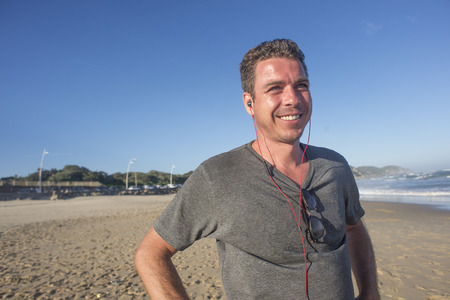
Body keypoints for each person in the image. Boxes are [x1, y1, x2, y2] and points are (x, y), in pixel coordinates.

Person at [135, 39, 380, 300]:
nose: (293, 99)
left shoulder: (336, 166)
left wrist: (370, 290)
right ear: (249, 103)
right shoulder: (217, 176)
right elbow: (151, 253)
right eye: (275, 88)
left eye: (301, 86)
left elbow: (353, 228)